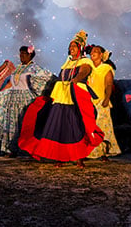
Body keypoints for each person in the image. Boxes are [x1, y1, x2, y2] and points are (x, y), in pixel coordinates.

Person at [18, 30, 104, 168]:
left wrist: (76, 79)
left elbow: (84, 72)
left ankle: (78, 157)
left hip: (74, 98)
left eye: (74, 46)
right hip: (60, 97)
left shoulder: (85, 62)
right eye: (70, 47)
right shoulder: (67, 63)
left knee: (76, 127)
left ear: (80, 48)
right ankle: (60, 157)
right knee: (59, 127)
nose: (71, 49)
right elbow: (60, 77)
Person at [0, 45, 53, 157]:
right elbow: (10, 83)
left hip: (25, 99)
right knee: (11, 124)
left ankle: (27, 148)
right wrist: (0, 93)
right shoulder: (17, 68)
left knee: (25, 124)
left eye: (24, 54)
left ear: (30, 55)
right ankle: (11, 149)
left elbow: (47, 78)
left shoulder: (34, 68)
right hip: (12, 98)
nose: (21, 56)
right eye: (20, 53)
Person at [86, 44, 121, 161]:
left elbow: (109, 85)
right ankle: (88, 152)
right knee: (89, 128)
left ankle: (103, 152)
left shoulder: (106, 68)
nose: (93, 53)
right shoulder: (88, 67)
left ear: (101, 55)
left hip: (101, 101)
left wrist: (106, 99)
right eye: (91, 51)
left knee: (102, 128)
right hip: (88, 101)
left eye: (96, 51)